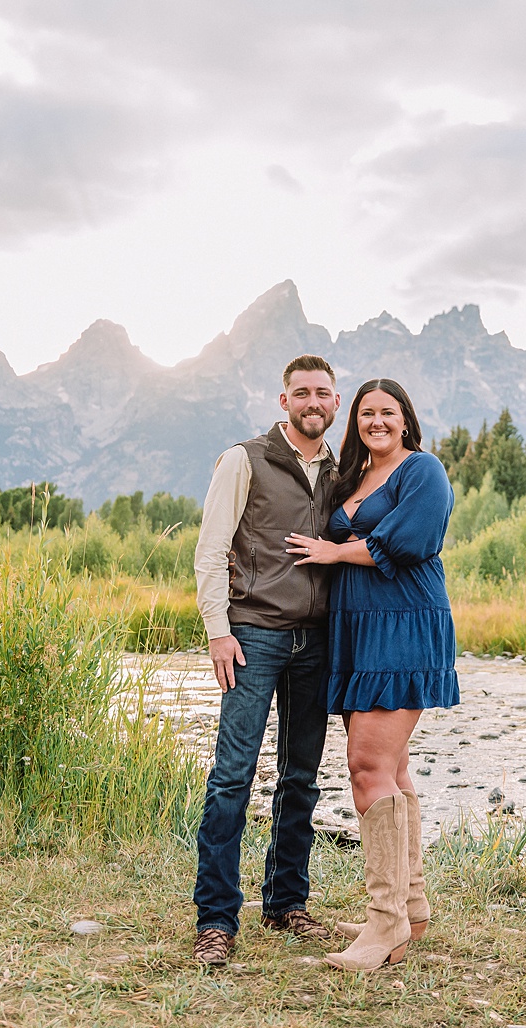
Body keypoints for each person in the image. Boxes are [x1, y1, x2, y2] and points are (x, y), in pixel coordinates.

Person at [286, 378, 459, 971]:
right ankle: (409, 905)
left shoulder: (423, 471)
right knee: (393, 766)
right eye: (366, 413)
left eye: (387, 412)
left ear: (406, 419)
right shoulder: (352, 478)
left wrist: (335, 552)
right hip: (358, 630)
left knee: (368, 767)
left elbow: (411, 541)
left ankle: (385, 930)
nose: (376, 421)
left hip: (405, 623)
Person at [190, 354, 341, 967]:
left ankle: (286, 903)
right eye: (301, 392)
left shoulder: (341, 469)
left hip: (318, 643)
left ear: (336, 403)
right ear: (283, 401)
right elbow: (210, 549)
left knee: (301, 777)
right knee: (233, 777)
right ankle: (217, 920)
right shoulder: (243, 459)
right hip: (253, 637)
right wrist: (218, 631)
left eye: (323, 394)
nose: (313, 402)